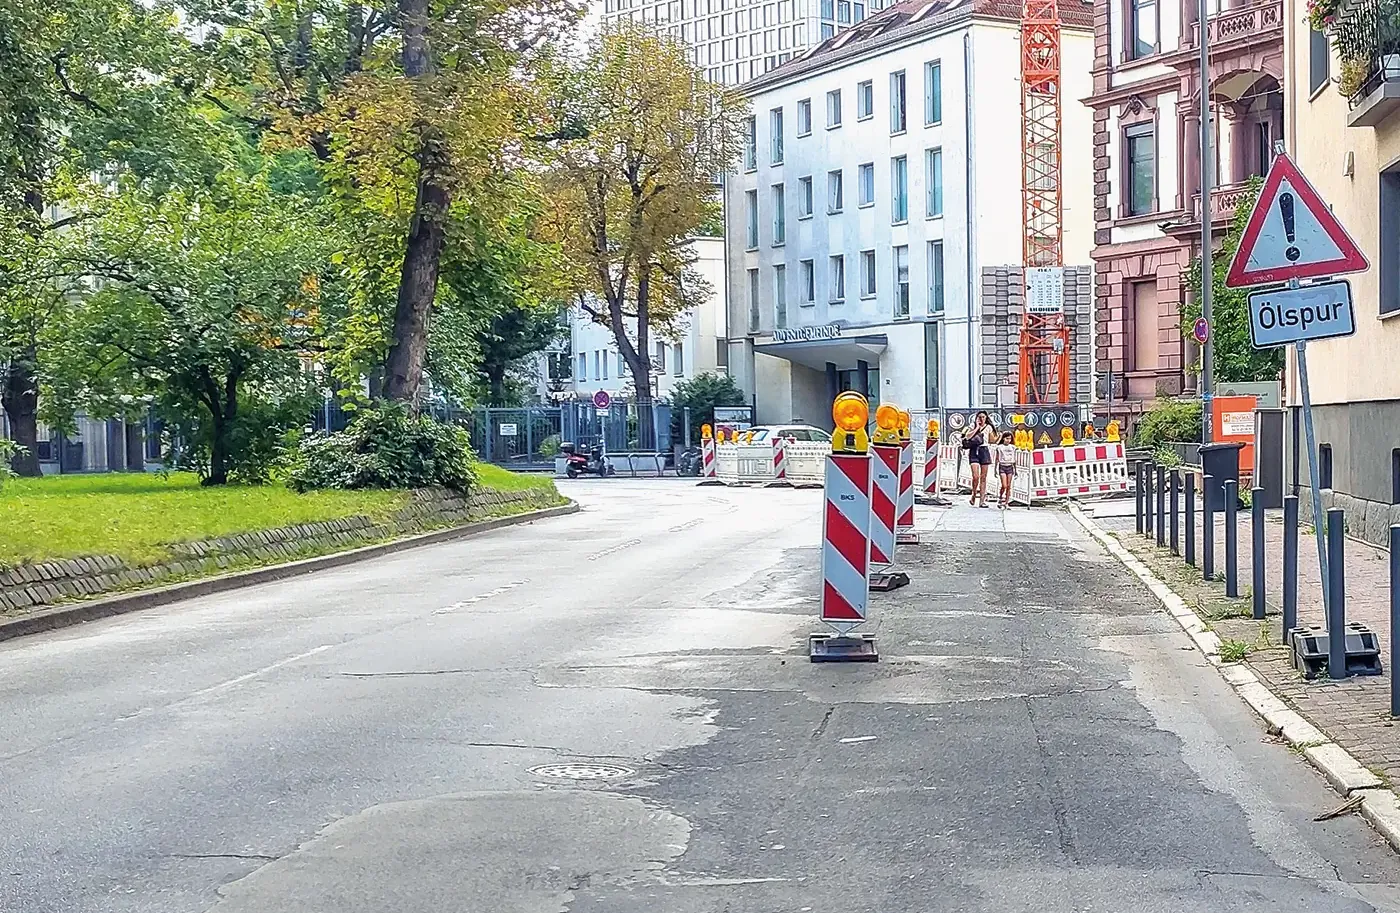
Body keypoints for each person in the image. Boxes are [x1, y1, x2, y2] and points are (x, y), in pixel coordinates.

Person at [963, 411, 994, 508]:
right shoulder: (972, 426)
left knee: (983, 477)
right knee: (975, 476)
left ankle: (982, 501)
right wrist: (977, 427)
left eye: (983, 417)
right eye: (979, 417)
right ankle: (974, 493)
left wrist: (999, 437)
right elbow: (967, 436)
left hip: (984, 450)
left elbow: (992, 440)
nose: (981, 419)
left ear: (986, 418)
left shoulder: (989, 427)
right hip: (974, 450)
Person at [994, 430, 1018, 509]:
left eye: (1010, 439)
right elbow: (996, 459)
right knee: (1004, 485)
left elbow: (1014, 459)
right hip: (1002, 466)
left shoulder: (1013, 447)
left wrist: (1016, 469)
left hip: (1010, 466)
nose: (1008, 440)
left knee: (1008, 486)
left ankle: (1006, 502)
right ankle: (1000, 497)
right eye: (1007, 438)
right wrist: (995, 469)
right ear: (1003, 438)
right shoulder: (999, 447)